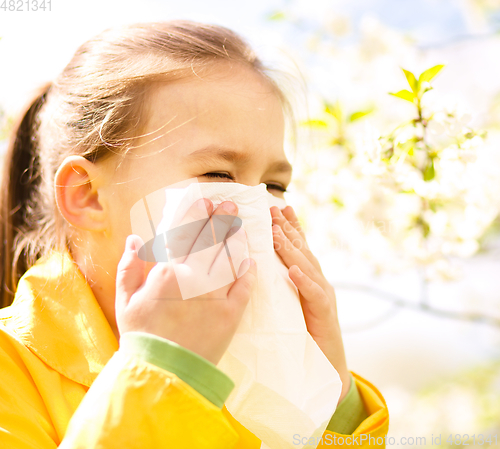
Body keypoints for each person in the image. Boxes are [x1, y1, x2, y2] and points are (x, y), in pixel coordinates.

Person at [0, 21, 389, 448]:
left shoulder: (254, 369)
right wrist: (164, 371)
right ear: (88, 197)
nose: (257, 208)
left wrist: (334, 403)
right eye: (219, 175)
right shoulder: (10, 369)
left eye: (275, 186)